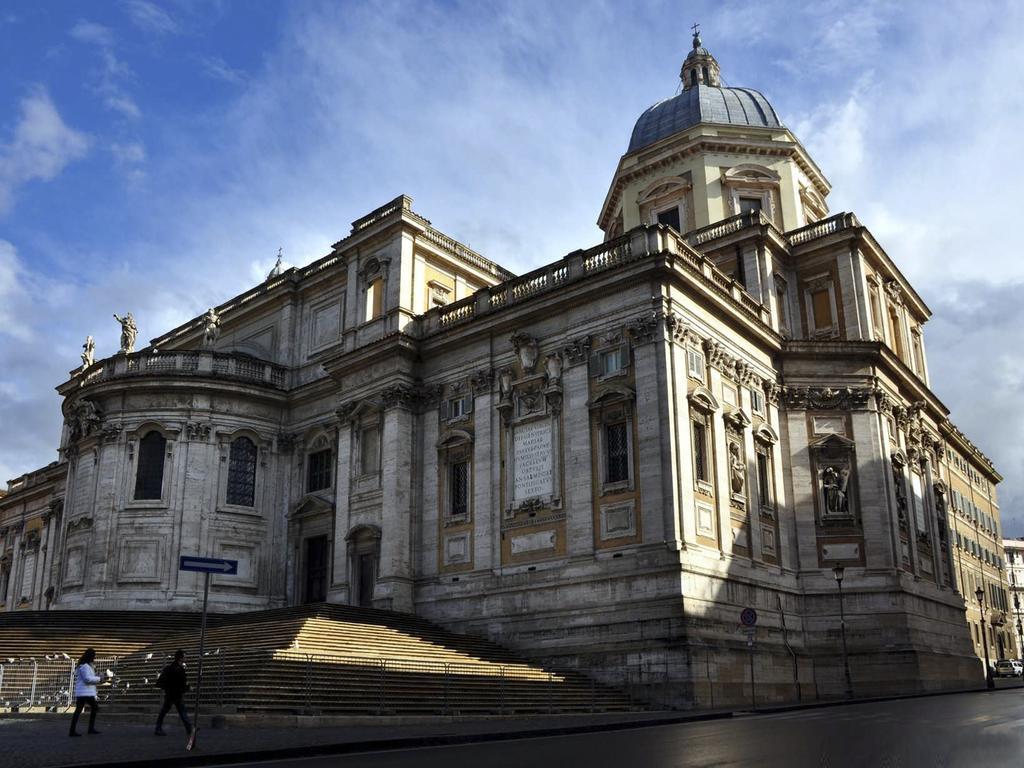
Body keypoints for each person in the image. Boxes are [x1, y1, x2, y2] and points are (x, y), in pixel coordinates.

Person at [155, 649, 193, 736]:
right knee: (181, 711)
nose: (186, 658)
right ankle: (189, 729)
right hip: (176, 694)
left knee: (165, 711)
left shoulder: (171, 668)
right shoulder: (178, 669)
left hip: (170, 693)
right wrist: (187, 687)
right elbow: (180, 683)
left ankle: (158, 728)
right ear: (181, 658)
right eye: (185, 656)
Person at [69, 648, 102, 737]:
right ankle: (90, 728)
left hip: (84, 692)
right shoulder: (85, 666)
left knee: (79, 710)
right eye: (94, 656)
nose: (94, 658)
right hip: (85, 692)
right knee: (94, 707)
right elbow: (87, 679)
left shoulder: (84, 665)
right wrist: (99, 679)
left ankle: (73, 730)